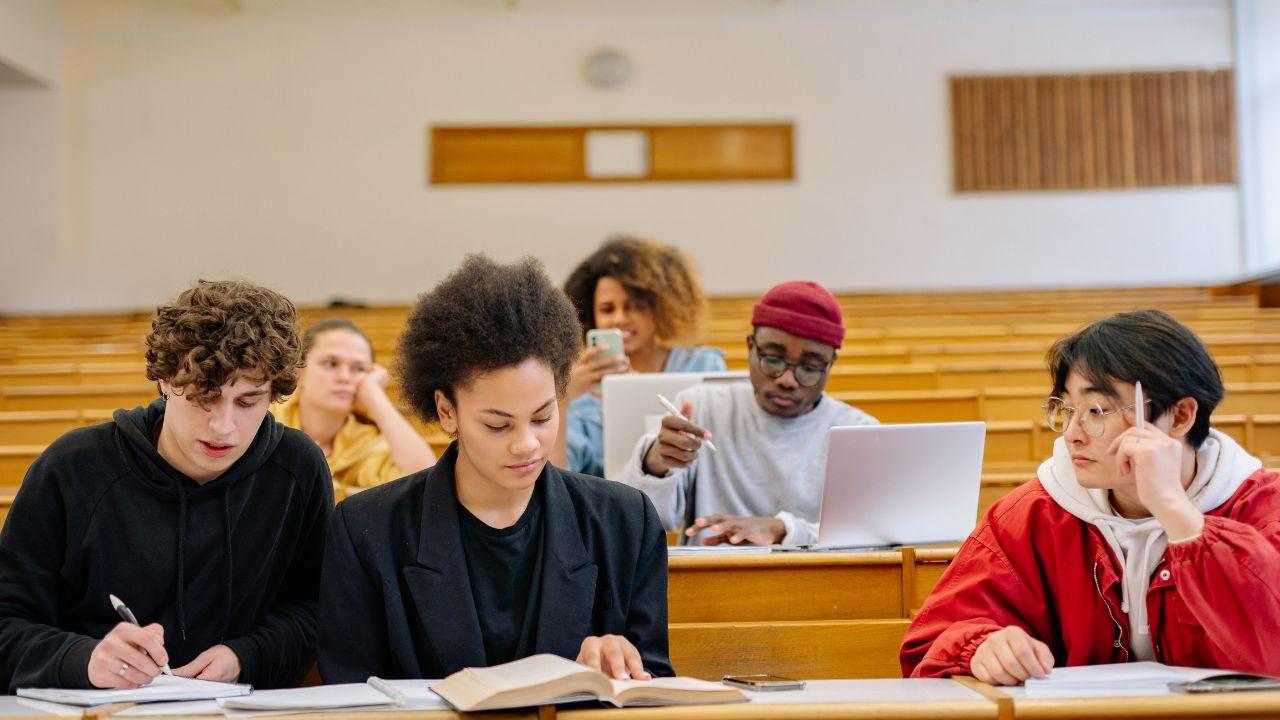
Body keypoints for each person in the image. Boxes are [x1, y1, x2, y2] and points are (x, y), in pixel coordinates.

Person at [317, 255, 672, 683]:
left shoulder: (625, 521)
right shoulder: (366, 529)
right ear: (446, 411)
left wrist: (625, 666)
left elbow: (657, 681)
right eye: (498, 425)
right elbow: (350, 695)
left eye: (543, 417)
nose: (527, 444)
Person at [901, 310, 1280, 684]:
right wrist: (981, 647)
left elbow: (1271, 646)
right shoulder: (1031, 514)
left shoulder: (1264, 508)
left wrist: (1176, 511)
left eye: (1096, 411)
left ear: (1180, 416)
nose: (1072, 433)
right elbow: (933, 639)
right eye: (1067, 409)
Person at [0, 280, 332, 693]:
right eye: (203, 396)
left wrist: (246, 656)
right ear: (164, 380)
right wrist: (84, 660)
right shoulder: (72, 467)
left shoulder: (298, 469)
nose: (223, 426)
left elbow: (316, 609)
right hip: (96, 708)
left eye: (248, 402)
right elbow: (7, 623)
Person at [615, 280, 877, 546]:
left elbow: (874, 535)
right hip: (711, 570)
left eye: (809, 368)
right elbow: (637, 518)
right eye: (772, 360)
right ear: (751, 347)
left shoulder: (858, 431)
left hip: (818, 574)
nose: (787, 380)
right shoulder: (701, 407)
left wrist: (784, 530)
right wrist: (657, 461)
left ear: (830, 365)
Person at [557, 237, 726, 478]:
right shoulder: (579, 389)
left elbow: (721, 454)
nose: (620, 318)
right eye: (607, 309)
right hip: (610, 498)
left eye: (635, 306)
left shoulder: (701, 365)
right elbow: (558, 476)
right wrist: (561, 398)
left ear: (660, 308)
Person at [272, 318, 434, 488]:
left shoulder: (361, 442)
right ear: (299, 372)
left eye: (359, 369)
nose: (345, 377)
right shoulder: (266, 418)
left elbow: (423, 478)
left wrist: (374, 395)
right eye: (331, 364)